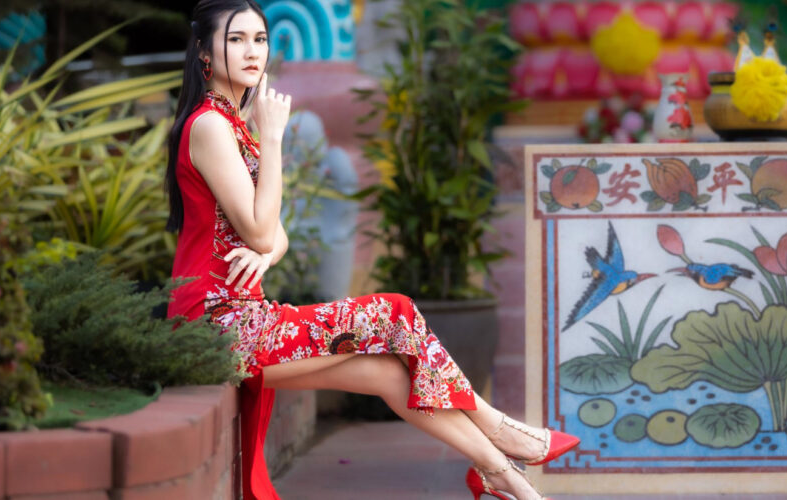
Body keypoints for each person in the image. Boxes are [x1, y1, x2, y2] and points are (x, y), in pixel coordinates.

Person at [165, 1, 580, 498]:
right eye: (236, 40)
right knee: (396, 311)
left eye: (259, 38)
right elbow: (260, 230)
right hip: (216, 325)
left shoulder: (234, 124)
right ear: (204, 53)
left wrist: (266, 248)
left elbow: (276, 237)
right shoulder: (212, 125)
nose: (253, 51)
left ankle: (502, 474)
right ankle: (500, 429)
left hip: (246, 315)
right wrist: (273, 142)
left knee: (388, 373)